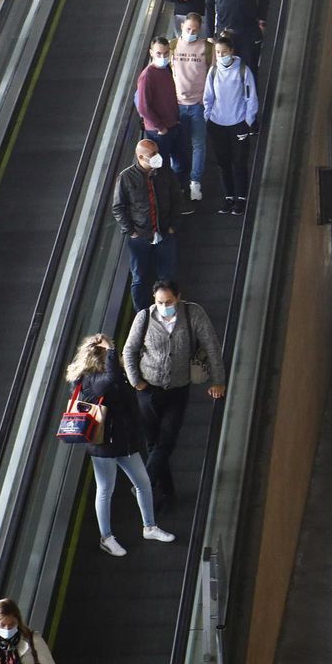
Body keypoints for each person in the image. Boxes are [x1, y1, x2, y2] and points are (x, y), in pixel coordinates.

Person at [65, 333, 176, 555]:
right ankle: (106, 537)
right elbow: (110, 382)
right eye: (108, 353)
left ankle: (149, 526)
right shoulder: (89, 379)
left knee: (143, 483)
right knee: (105, 489)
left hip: (124, 441)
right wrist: (112, 353)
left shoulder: (113, 375)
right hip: (103, 445)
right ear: (99, 356)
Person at [123, 280, 227, 508]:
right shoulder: (144, 317)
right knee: (153, 444)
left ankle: (145, 483)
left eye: (168, 302)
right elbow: (129, 350)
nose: (164, 306)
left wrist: (219, 381)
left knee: (166, 441)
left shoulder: (193, 313)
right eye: (159, 302)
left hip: (178, 389)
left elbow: (212, 346)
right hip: (148, 389)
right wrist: (136, 382)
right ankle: (167, 495)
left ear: (178, 297)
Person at [111, 139, 183, 312]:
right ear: (141, 156)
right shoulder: (126, 177)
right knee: (139, 278)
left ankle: (168, 310)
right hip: (140, 238)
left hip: (165, 233)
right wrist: (132, 232)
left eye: (157, 152)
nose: (158, 157)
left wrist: (173, 225)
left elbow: (177, 200)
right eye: (153, 155)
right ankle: (141, 315)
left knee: (168, 276)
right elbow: (118, 207)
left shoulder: (165, 173)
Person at [203, 33, 259, 214]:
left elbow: (251, 98)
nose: (220, 56)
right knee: (223, 163)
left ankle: (241, 198)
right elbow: (208, 97)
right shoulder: (213, 72)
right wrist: (208, 117)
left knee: (240, 162)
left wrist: (248, 121)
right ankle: (228, 197)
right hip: (217, 124)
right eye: (218, 52)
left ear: (232, 51)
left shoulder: (243, 70)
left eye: (224, 52)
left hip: (238, 123)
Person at [170, 13, 212, 204]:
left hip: (197, 106)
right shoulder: (171, 47)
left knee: (198, 145)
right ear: (182, 25)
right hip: (177, 105)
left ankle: (195, 182)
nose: (191, 32)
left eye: (195, 30)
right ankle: (177, 181)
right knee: (177, 145)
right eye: (188, 29)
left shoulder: (207, 48)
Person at [136, 38, 186, 186]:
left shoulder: (166, 69)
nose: (163, 57)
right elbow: (143, 107)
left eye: (166, 53)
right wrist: (161, 127)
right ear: (151, 53)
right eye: (159, 53)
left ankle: (179, 193)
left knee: (181, 163)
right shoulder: (147, 76)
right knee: (161, 169)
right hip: (159, 132)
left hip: (174, 125)